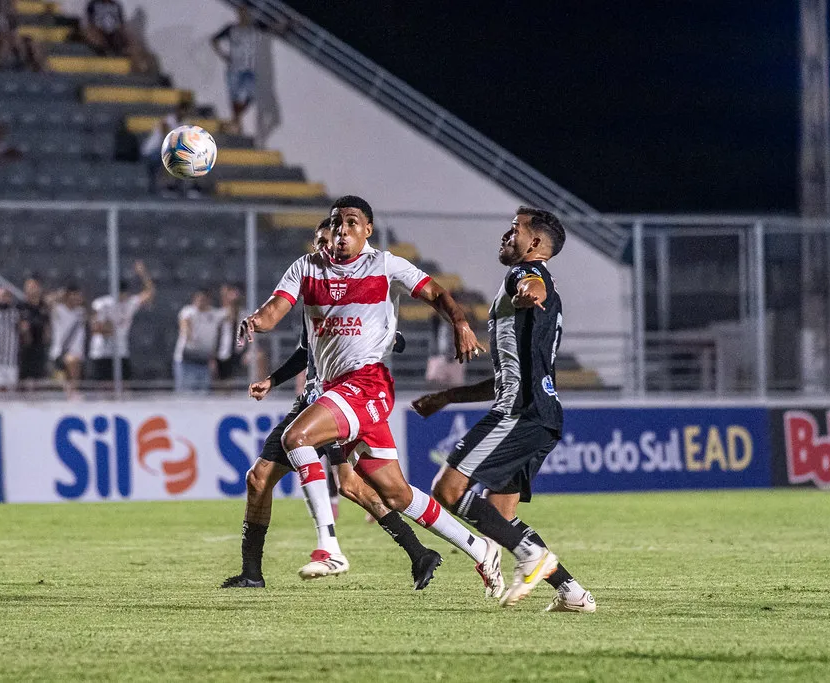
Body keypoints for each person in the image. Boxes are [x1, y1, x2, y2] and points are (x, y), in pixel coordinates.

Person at [237, 195, 501, 594]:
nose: (342, 228)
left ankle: (329, 548)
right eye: (336, 221)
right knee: (394, 492)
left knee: (298, 439)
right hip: (327, 391)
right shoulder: (307, 267)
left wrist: (461, 323)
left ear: (367, 230)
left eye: (351, 221)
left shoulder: (385, 265)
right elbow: (275, 311)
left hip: (366, 384)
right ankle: (480, 549)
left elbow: (437, 294)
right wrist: (256, 320)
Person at [223, 218, 442, 590]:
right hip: (314, 399)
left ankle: (363, 549)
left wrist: (390, 337)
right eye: (322, 241)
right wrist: (273, 380)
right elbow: (304, 352)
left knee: (352, 485)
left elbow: (373, 332)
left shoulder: (354, 290)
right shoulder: (314, 290)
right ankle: (252, 572)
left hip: (337, 400)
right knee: (264, 479)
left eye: (334, 238)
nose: (329, 246)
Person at [418, 207, 595, 610]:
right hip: (541, 411)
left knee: (447, 490)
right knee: (500, 514)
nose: (506, 234)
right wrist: (447, 397)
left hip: (520, 413)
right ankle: (572, 593)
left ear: (534, 244)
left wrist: (528, 292)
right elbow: (507, 378)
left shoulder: (525, 275)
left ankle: (531, 557)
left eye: (515, 229)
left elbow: (534, 285)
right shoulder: (534, 286)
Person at [210, 7, 284, 134]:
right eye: (242, 13)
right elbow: (214, 40)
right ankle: (236, 122)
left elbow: (272, 28)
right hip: (235, 68)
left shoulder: (255, 27)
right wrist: (223, 55)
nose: (244, 16)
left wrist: (286, 24)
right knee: (235, 96)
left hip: (250, 68)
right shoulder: (231, 29)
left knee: (251, 94)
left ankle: (235, 120)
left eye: (246, 14)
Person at [88, 260, 155, 384]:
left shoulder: (130, 303)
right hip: (102, 351)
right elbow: (95, 328)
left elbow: (149, 293)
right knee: (103, 387)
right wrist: (108, 329)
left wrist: (143, 274)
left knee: (124, 385)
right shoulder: (103, 304)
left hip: (121, 350)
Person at [173, 290, 223, 394]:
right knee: (186, 393)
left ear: (208, 300)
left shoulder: (214, 314)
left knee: (203, 394)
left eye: (203, 299)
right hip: (187, 360)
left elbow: (229, 315)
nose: (200, 302)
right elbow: (185, 322)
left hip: (204, 361)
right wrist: (188, 334)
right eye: (198, 299)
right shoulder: (188, 311)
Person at [48, 283, 87, 396]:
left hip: (78, 352)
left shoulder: (81, 312)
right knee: (70, 362)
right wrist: (61, 294)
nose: (76, 298)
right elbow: (48, 300)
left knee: (73, 380)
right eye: (73, 295)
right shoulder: (59, 310)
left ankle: (73, 392)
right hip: (60, 352)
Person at [17, 278, 50, 390]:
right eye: (30, 287)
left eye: (34, 287)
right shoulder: (21, 306)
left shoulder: (43, 307)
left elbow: (46, 324)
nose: (32, 290)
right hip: (24, 348)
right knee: (24, 378)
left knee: (39, 378)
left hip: (39, 347)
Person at [215, 282, 246, 385]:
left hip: (240, 353)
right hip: (223, 354)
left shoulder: (246, 316)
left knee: (259, 357)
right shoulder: (218, 316)